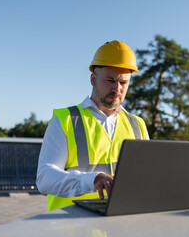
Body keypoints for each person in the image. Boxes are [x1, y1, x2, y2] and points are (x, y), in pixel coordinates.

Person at [36, 40, 149, 212]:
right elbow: (44, 178)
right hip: (70, 227)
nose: (117, 88)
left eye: (123, 82)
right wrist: (92, 180)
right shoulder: (65, 120)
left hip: (120, 224)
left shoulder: (137, 125)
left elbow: (146, 177)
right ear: (93, 79)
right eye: (110, 80)